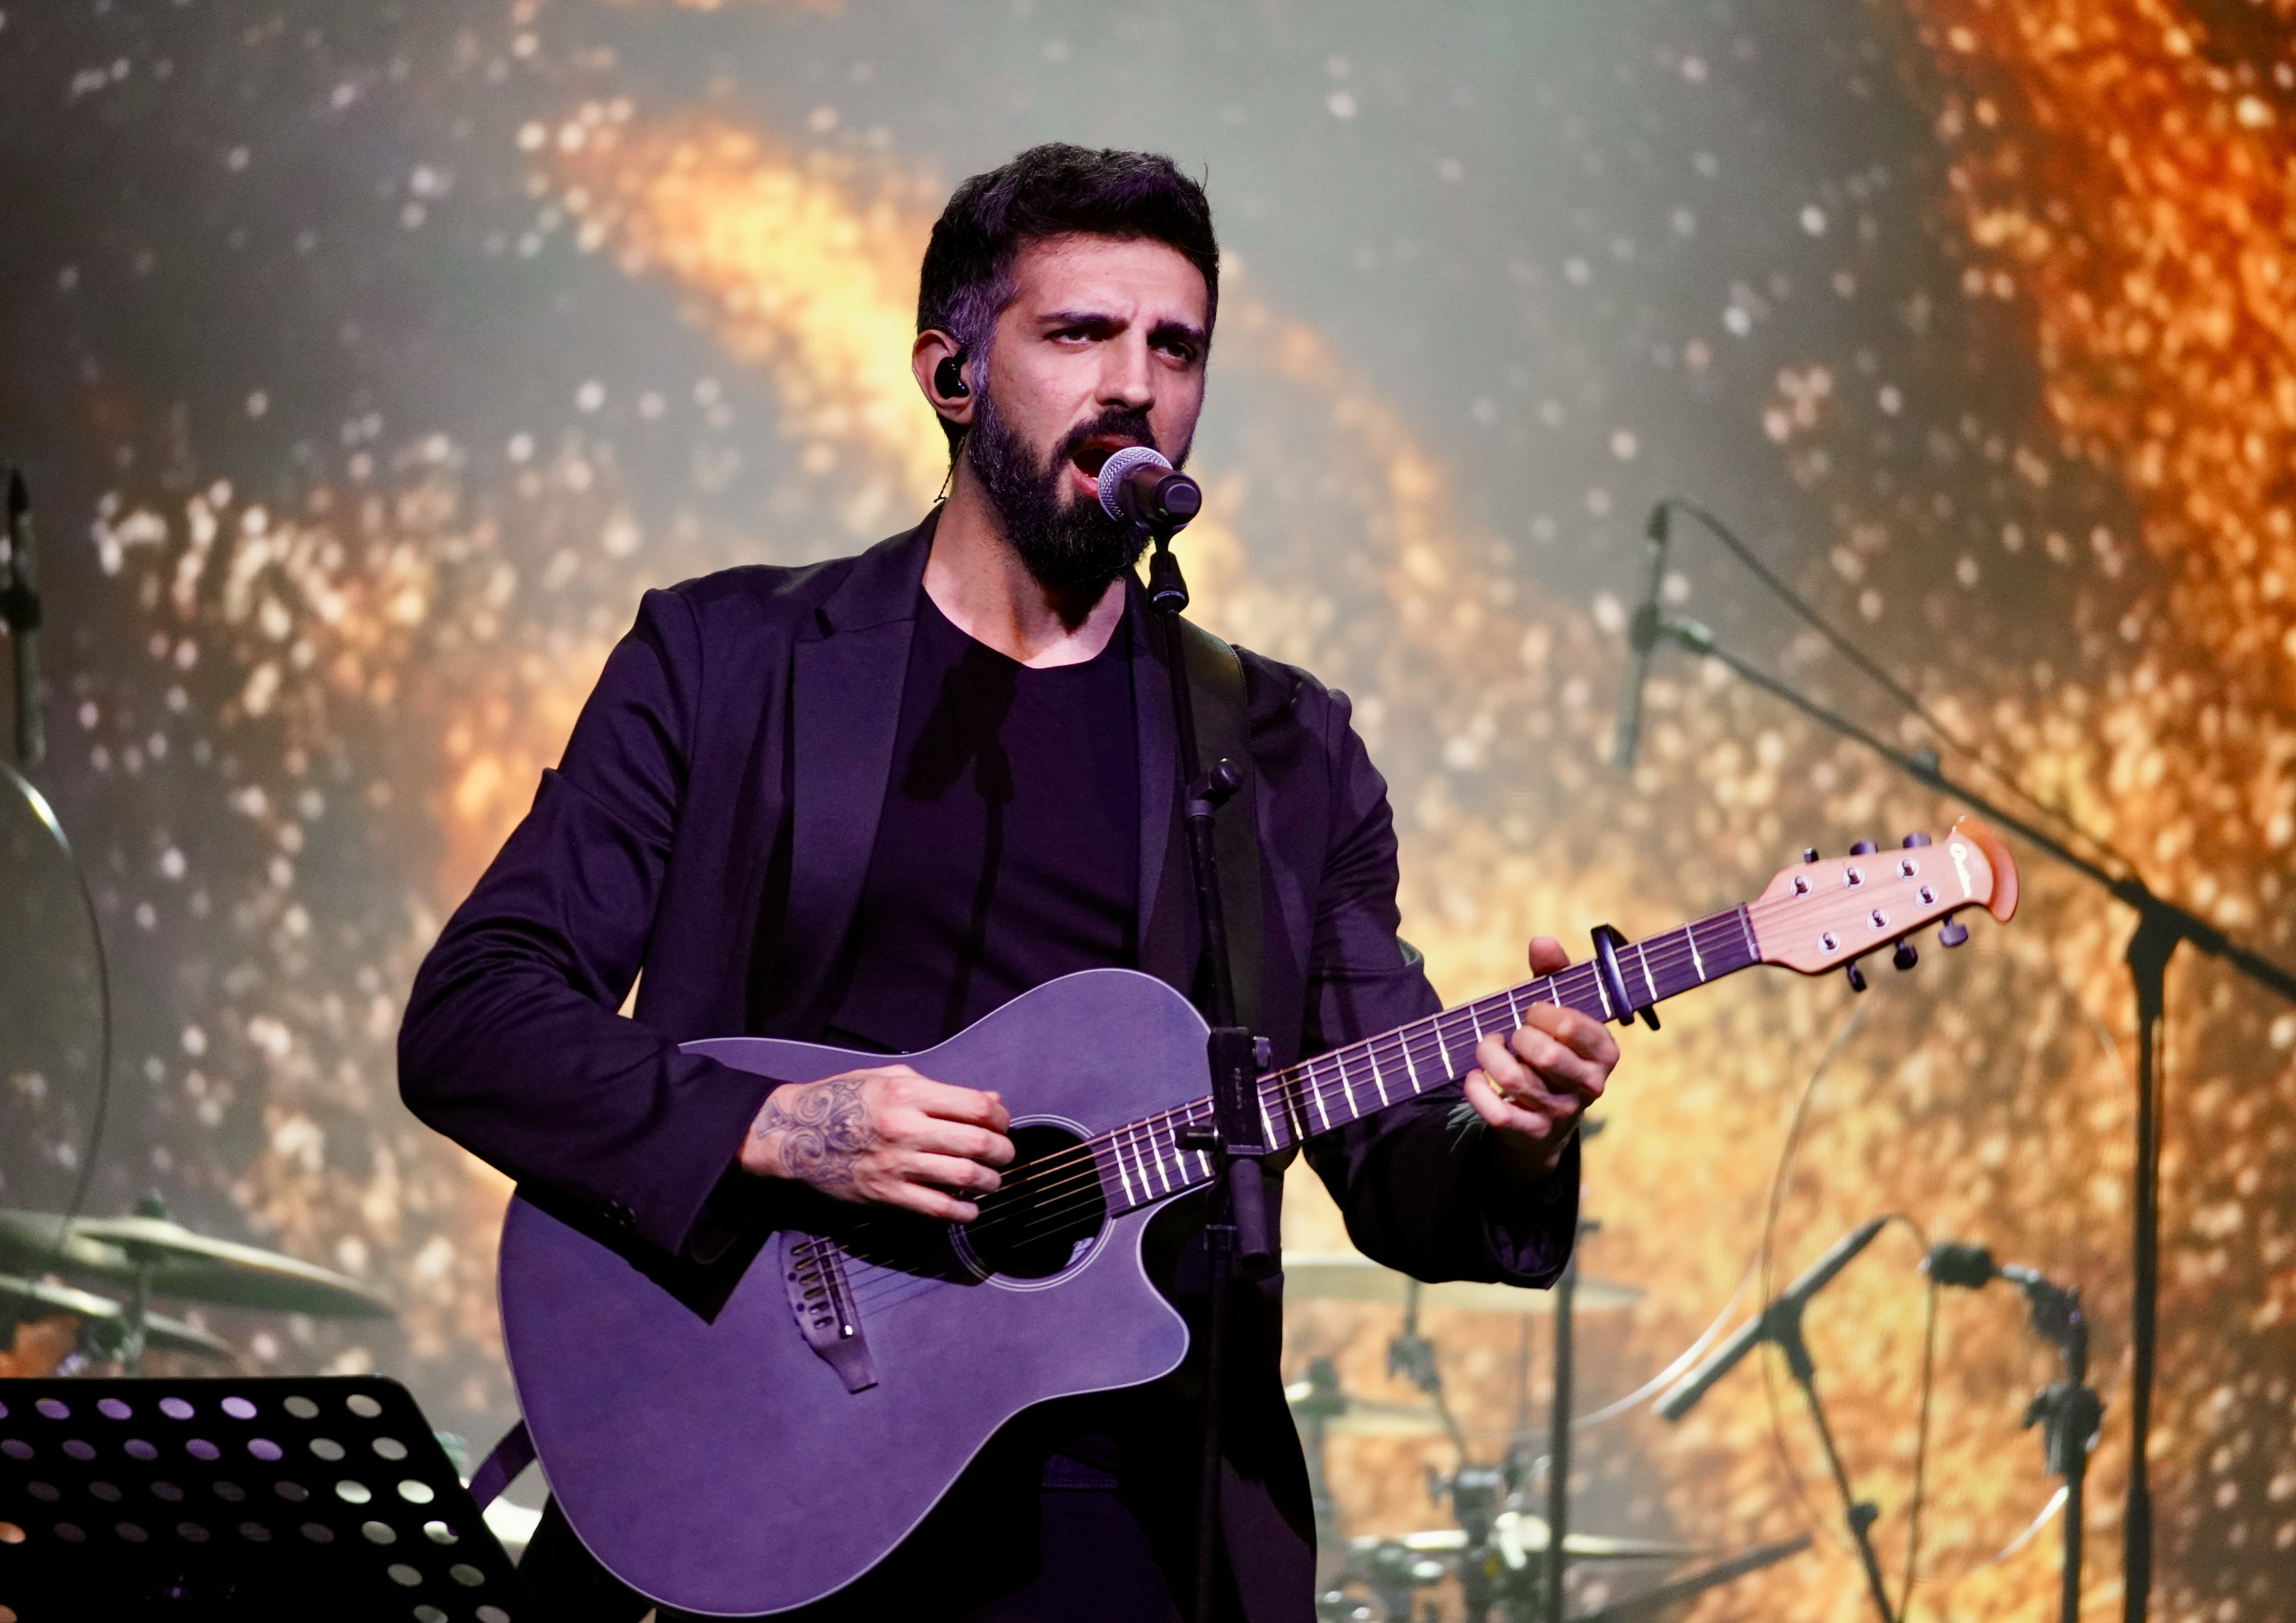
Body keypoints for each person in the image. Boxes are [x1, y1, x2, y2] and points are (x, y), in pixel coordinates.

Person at [398, 143, 1619, 1622]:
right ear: (951, 375)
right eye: (1079, 333)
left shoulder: (1281, 750)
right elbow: (475, 1018)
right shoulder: (726, 664)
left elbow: (1398, 1173)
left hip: (1123, 1524)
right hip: (756, 1471)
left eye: (1176, 347)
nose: (1134, 385)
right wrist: (782, 1128)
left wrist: (1516, 1139)